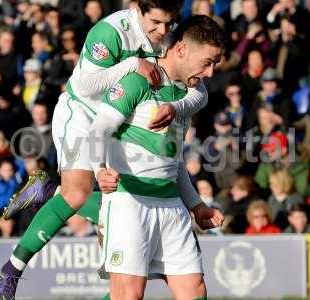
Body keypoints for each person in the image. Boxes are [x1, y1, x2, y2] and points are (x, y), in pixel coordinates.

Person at [0, 2, 217, 298]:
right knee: (79, 193)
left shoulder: (171, 37)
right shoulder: (110, 32)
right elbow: (84, 87)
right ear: (137, 8)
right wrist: (132, 64)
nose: (162, 31)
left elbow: (197, 90)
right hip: (84, 113)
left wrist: (175, 108)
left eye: (169, 22)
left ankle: (52, 193)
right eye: (156, 22)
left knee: (122, 208)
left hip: (125, 121)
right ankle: (11, 269)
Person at [90, 15, 225, 299]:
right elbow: (98, 130)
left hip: (172, 206)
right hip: (129, 201)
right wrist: (98, 169)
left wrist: (196, 205)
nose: (211, 73)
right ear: (181, 50)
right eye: (208, 62)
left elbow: (172, 162)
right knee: (128, 295)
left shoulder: (186, 96)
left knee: (195, 290)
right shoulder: (137, 82)